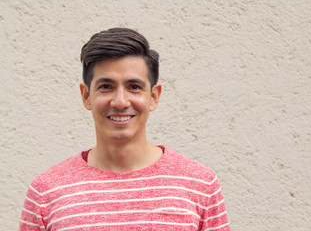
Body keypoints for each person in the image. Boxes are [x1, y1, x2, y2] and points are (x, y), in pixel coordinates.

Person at [20, 28, 230, 230]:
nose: (120, 101)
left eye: (134, 87)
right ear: (86, 96)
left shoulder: (200, 184)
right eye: (106, 87)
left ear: (154, 97)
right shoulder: (45, 191)